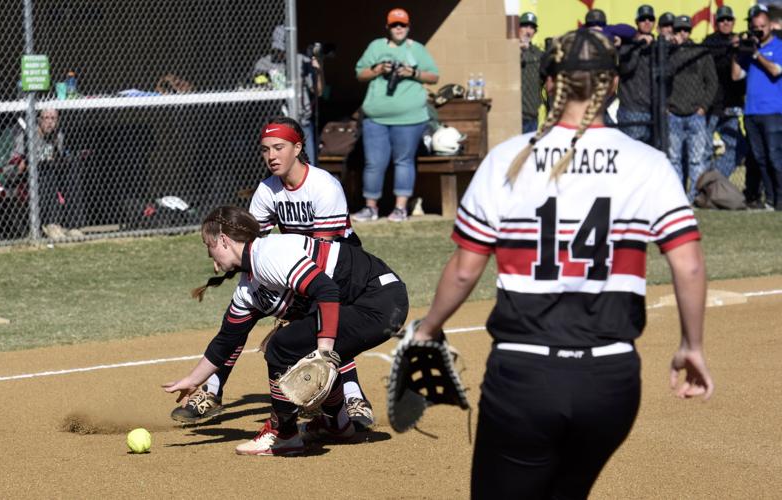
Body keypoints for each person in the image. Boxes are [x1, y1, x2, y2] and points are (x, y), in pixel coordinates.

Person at [409, 29, 713, 498]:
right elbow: (688, 265)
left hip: (523, 377)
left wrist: (427, 329)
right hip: (611, 381)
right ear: (612, 85)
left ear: (548, 85)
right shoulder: (648, 162)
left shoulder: (507, 159)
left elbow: (466, 269)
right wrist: (691, 345)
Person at [170, 117, 376, 430]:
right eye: (265, 150)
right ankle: (211, 390)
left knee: (324, 322)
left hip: (337, 271)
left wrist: (289, 312)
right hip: (292, 266)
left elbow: (322, 261)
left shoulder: (323, 186)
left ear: (298, 147)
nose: (271, 156)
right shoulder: (267, 191)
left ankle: (352, 397)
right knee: (240, 314)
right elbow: (250, 247)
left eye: (279, 147)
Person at [163, 206, 408, 456]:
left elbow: (326, 291)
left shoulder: (268, 254)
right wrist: (193, 380)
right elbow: (226, 340)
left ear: (224, 240)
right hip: (369, 304)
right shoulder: (248, 288)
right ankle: (336, 424)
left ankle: (284, 433)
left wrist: (324, 349)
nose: (210, 257)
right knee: (295, 344)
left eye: (209, 245)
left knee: (281, 345)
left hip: (380, 300)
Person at [352, 8, 439, 223]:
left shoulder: (416, 49)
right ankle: (370, 207)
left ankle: (400, 208)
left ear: (408, 27)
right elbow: (359, 73)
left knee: (404, 161)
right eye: (394, 25)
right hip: (375, 118)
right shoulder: (376, 47)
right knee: (374, 162)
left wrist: (413, 73)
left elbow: (434, 76)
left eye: (402, 25)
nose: (398, 28)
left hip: (410, 118)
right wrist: (379, 69)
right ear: (388, 28)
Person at [732, 5, 782, 210]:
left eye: (762, 26)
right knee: (760, 158)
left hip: (773, 111)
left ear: (771, 25)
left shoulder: (778, 46)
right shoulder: (750, 48)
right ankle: (770, 199)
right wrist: (738, 52)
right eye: (755, 27)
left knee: (775, 157)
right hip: (751, 111)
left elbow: (775, 71)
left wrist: (756, 55)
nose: (759, 30)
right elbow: (736, 76)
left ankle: (780, 198)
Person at [5, 108, 82, 239]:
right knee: (44, 166)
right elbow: (10, 169)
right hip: (24, 176)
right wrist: (23, 165)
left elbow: (56, 158)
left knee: (72, 165)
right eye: (46, 118)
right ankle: (51, 223)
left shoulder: (58, 135)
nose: (50, 122)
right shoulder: (26, 136)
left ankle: (72, 225)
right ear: (39, 120)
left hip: (50, 173)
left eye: (53, 119)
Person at [252, 25, 324, 165]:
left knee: (308, 166)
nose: (280, 53)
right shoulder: (264, 64)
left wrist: (319, 71)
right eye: (277, 50)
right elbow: (255, 87)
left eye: (284, 50)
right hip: (278, 123)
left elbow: (318, 91)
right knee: (280, 166)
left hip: (302, 122)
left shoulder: (301, 61)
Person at [667, 15, 718, 201]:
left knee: (696, 160)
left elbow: (712, 82)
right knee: (674, 159)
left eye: (686, 30)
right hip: (673, 113)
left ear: (690, 32)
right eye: (679, 30)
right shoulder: (668, 52)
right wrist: (666, 106)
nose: (682, 33)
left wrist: (704, 106)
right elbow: (663, 77)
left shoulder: (701, 52)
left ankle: (695, 196)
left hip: (696, 114)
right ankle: (677, 197)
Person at [703, 5, 747, 180]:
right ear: (716, 22)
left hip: (732, 104)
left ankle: (714, 181)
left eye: (729, 19)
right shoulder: (710, 41)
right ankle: (702, 188)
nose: (726, 23)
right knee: (704, 150)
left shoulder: (741, 43)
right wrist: (731, 46)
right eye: (722, 20)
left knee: (739, 147)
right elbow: (716, 62)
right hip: (712, 105)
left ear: (734, 22)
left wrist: (741, 45)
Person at [617, 4, 657, 145]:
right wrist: (638, 46)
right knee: (631, 154)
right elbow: (626, 69)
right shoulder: (627, 45)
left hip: (653, 111)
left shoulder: (658, 46)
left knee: (651, 156)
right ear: (637, 22)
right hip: (631, 110)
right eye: (643, 19)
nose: (647, 22)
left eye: (650, 19)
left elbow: (666, 72)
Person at [519, 12, 543, 134]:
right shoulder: (509, 50)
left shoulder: (537, 53)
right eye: (525, 26)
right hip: (515, 115)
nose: (528, 31)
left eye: (532, 28)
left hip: (532, 114)